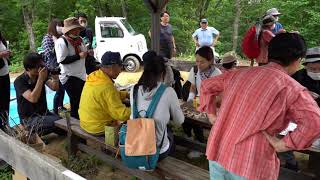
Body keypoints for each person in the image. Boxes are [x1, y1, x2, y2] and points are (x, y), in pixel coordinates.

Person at [198, 33, 320, 180]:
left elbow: (206, 85)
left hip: (219, 149)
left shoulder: (238, 74)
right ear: (298, 60)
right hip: (250, 162)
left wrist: (212, 115)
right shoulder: (291, 89)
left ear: (268, 53)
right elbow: (315, 123)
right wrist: (283, 145)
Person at [130, 55, 184, 161]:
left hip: (135, 145)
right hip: (157, 153)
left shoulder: (134, 89)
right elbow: (179, 121)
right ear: (163, 73)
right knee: (168, 132)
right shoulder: (168, 92)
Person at [79, 51, 130, 135]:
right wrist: (137, 109)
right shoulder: (106, 87)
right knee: (129, 122)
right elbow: (121, 114)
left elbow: (106, 96)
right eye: (120, 66)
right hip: (97, 128)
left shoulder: (94, 75)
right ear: (112, 67)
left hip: (85, 122)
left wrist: (126, 94)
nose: (121, 70)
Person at [184, 46, 222, 158]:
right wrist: (190, 99)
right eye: (197, 61)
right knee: (185, 118)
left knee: (198, 122)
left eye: (202, 62)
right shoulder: (195, 70)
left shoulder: (217, 74)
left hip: (211, 104)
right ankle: (188, 140)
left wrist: (208, 103)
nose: (199, 65)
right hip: (197, 100)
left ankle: (199, 145)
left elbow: (220, 96)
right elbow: (193, 86)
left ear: (210, 61)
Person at [14, 53, 60, 135]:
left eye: (41, 65)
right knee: (55, 122)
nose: (40, 69)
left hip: (44, 113)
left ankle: (36, 131)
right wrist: (40, 79)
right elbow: (33, 99)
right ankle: (28, 130)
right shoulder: (19, 81)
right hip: (28, 119)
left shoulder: (40, 75)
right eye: (37, 67)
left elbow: (54, 88)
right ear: (28, 69)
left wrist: (55, 78)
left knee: (62, 124)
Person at [55, 17, 87, 119]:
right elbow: (62, 60)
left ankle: (81, 121)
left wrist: (88, 53)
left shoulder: (80, 39)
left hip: (81, 75)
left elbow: (84, 53)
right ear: (70, 30)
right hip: (69, 77)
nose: (78, 30)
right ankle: (75, 124)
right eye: (76, 28)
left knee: (82, 100)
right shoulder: (61, 42)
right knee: (75, 102)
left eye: (78, 28)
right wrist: (79, 56)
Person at [41, 18, 66, 115]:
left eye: (61, 25)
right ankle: (56, 111)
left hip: (61, 67)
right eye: (59, 25)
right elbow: (49, 55)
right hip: (52, 68)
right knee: (59, 90)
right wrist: (56, 44)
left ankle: (61, 106)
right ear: (53, 27)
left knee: (62, 90)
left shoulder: (60, 37)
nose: (61, 28)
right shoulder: (47, 38)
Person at [0, 31, 11, 130]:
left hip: (5, 73)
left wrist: (7, 53)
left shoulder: (1, 39)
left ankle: (6, 124)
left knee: (6, 100)